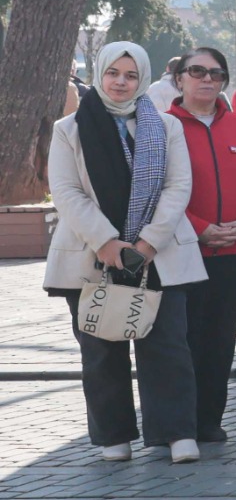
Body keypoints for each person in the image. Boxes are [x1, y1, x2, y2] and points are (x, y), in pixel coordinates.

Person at [47, 42, 206, 461]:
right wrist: (106, 241)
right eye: (114, 73)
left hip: (159, 253)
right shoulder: (69, 129)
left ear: (144, 79)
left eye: (131, 75)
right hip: (90, 255)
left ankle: (175, 433)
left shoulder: (167, 127)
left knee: (168, 346)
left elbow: (178, 186)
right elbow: (66, 191)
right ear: (99, 73)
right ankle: (113, 436)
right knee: (100, 348)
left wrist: (148, 241)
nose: (121, 82)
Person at [169, 46, 236, 443]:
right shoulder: (163, 126)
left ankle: (210, 419)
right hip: (184, 251)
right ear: (180, 79)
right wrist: (199, 228)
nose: (207, 79)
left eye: (216, 73)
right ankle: (181, 424)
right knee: (185, 339)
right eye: (197, 71)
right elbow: (157, 192)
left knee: (221, 339)